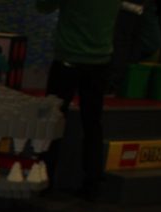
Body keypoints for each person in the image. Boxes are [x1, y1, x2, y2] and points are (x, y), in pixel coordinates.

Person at [37, 0, 119, 201]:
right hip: (100, 62)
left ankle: (44, 179)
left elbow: (43, 6)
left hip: (68, 60)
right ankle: (92, 183)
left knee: (52, 120)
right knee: (92, 124)